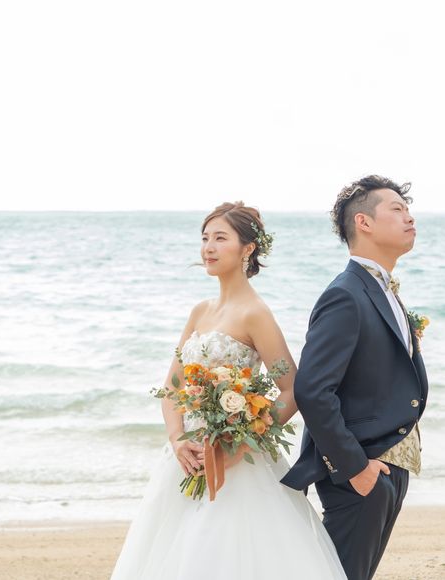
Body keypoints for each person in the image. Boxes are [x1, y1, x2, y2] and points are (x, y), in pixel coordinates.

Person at [111, 202, 346, 580]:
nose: (209, 247)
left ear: (247, 248)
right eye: (205, 238)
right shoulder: (199, 311)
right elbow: (173, 387)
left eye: (220, 238)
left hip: (238, 460)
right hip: (188, 456)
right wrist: (177, 440)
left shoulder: (256, 313)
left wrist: (242, 442)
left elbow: (292, 389)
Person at [281, 176, 429, 580]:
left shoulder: (384, 291)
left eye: (409, 210)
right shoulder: (345, 294)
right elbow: (313, 389)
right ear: (363, 222)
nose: (410, 218)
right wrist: (354, 468)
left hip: (389, 467)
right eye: (397, 209)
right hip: (361, 470)